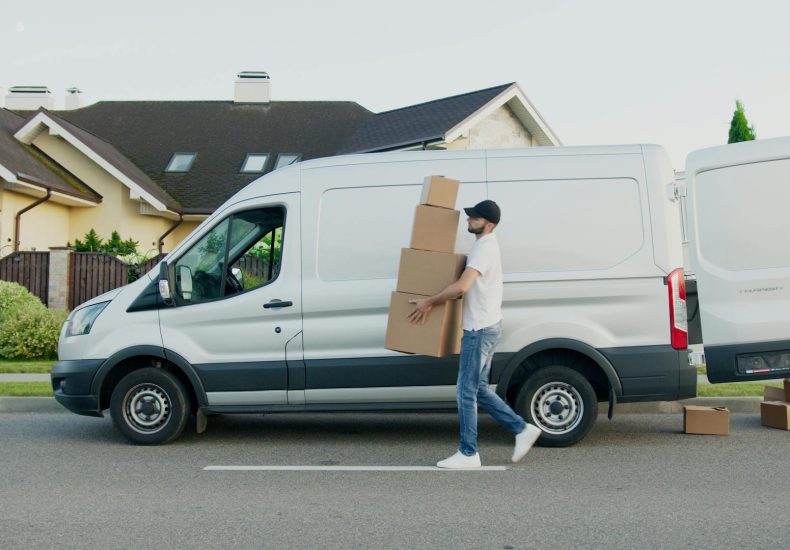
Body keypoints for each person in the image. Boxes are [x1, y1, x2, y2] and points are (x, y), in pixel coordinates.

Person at [408, 200, 541, 469]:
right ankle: (521, 429)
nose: (468, 219)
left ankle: (468, 453)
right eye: (470, 215)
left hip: (479, 330)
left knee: (465, 391)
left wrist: (429, 302)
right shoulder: (485, 246)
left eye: (475, 217)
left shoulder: (485, 247)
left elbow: (462, 287)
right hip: (488, 325)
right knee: (478, 389)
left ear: (488, 224)